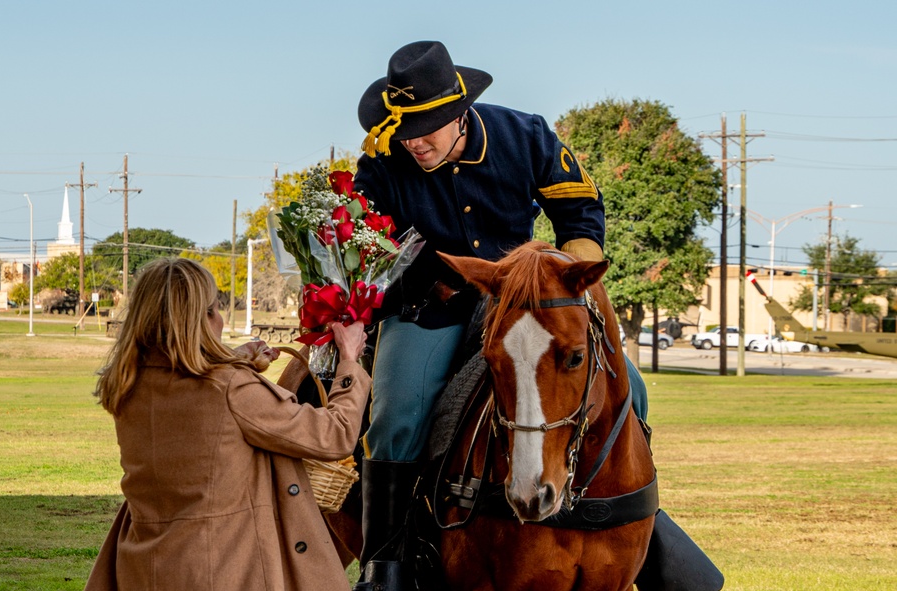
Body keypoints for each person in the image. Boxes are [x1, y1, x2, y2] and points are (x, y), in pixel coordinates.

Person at [352, 40, 648, 588]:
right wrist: (427, 281)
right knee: (395, 416)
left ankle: (637, 528)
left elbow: (579, 209)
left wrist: (574, 280)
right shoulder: (382, 160)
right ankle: (385, 562)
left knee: (631, 388)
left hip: (528, 302)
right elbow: (373, 246)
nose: (415, 142)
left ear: (460, 113)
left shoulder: (526, 135)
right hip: (429, 306)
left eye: (428, 128)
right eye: (407, 129)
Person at [83, 257, 371, 591]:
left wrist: (237, 358)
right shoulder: (230, 388)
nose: (220, 319)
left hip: (141, 566)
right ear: (195, 320)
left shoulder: (129, 384)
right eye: (212, 310)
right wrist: (349, 362)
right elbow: (333, 436)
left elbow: (189, 382)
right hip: (222, 570)